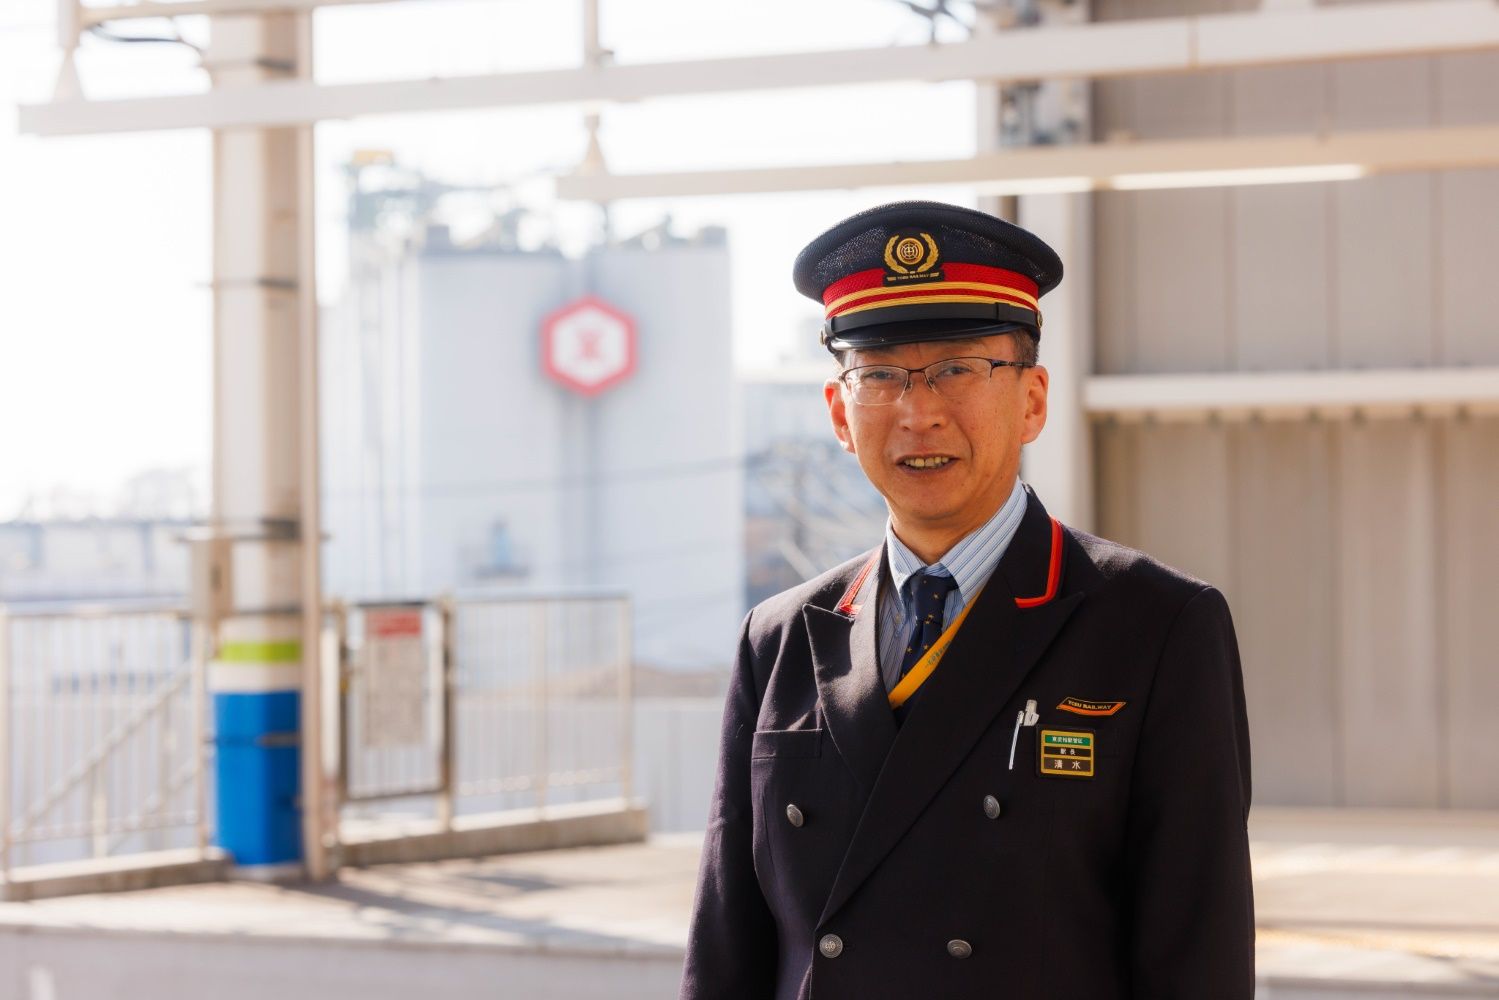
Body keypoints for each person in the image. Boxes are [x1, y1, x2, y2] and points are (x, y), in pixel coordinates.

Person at [678, 200, 1254, 1000]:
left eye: (957, 368)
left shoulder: (1153, 626)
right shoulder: (777, 638)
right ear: (841, 415)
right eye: (879, 375)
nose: (919, 412)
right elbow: (725, 946)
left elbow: (1198, 951)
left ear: (1031, 400)